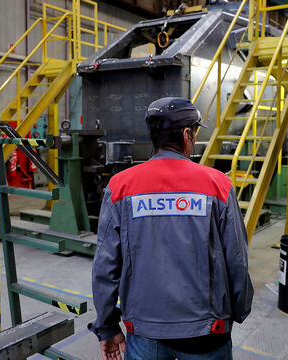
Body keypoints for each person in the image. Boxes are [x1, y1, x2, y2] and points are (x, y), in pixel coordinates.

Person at [89, 97, 253, 360]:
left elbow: (105, 266)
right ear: (187, 135)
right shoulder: (218, 185)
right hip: (206, 332)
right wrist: (238, 310)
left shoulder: (120, 187)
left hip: (144, 331)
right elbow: (237, 261)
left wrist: (107, 326)